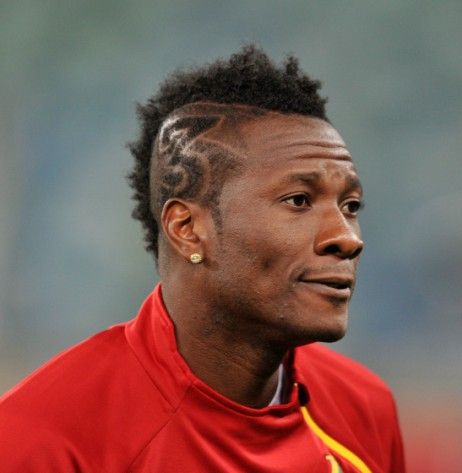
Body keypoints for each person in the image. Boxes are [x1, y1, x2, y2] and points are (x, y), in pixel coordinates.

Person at [0, 45, 405, 472]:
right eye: (299, 200)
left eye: (350, 206)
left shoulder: (364, 408)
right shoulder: (43, 440)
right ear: (187, 228)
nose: (347, 238)